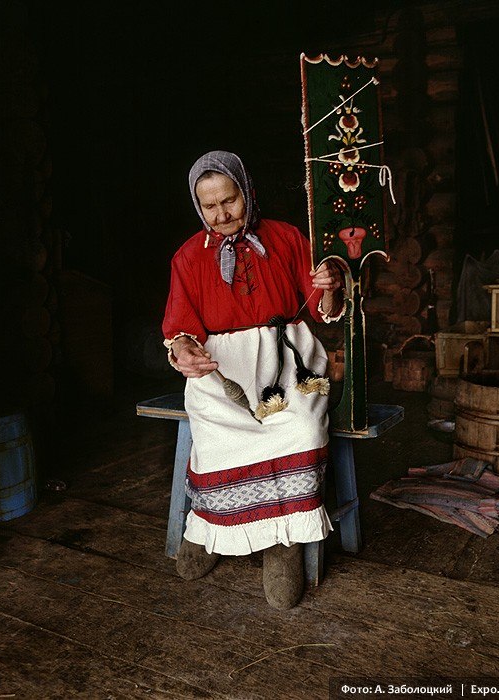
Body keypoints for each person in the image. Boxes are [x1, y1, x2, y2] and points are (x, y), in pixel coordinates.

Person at [162, 150, 344, 609]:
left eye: (231, 200)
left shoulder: (285, 238)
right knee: (216, 432)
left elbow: (322, 309)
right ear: (197, 206)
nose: (222, 215)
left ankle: (283, 543)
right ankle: (211, 529)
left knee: (300, 426)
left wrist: (329, 285)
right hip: (221, 368)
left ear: (248, 193)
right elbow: (179, 327)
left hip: (289, 360)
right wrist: (184, 350)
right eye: (210, 206)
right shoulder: (187, 257)